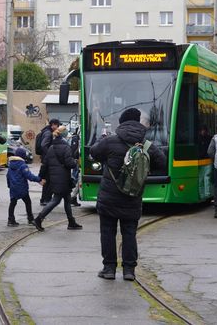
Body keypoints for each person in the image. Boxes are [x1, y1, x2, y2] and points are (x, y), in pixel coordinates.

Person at [90, 108, 167, 281]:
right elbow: (162, 163)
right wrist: (143, 172)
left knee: (108, 232)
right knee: (129, 233)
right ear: (138, 122)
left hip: (109, 197)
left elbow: (93, 153)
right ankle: (129, 270)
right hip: (133, 196)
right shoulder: (147, 145)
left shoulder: (109, 141)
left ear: (121, 122)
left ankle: (109, 269)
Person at [33, 126, 81, 232]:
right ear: (64, 135)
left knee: (67, 200)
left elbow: (45, 164)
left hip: (55, 178)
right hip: (63, 178)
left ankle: (71, 222)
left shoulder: (51, 147)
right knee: (56, 200)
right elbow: (69, 163)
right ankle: (39, 219)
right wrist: (75, 162)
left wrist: (41, 177)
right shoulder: (66, 147)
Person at [7, 147, 43, 226]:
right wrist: (39, 179)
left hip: (13, 187)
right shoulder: (22, 165)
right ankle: (30, 219)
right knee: (28, 202)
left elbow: (8, 176)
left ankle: (10, 219)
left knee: (12, 203)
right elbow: (29, 176)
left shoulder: (10, 165)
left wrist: (9, 185)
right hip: (22, 188)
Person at [38, 118, 60, 206]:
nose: (57, 127)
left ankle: (44, 199)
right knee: (49, 180)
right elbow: (43, 145)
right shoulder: (48, 133)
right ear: (53, 125)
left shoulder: (45, 131)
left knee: (47, 180)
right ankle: (46, 199)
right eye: (57, 125)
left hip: (45, 160)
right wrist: (50, 155)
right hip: (47, 161)